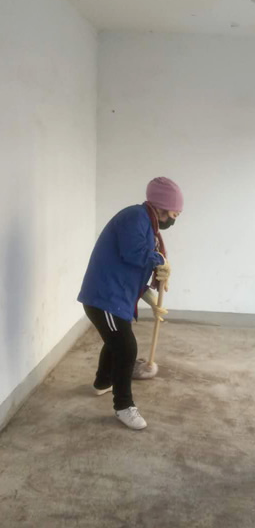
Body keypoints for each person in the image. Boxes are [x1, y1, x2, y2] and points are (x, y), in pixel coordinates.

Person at [78, 177, 184, 430]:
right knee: (126, 348)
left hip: (115, 295)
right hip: (105, 297)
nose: (175, 218)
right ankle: (124, 406)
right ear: (163, 207)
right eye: (175, 213)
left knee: (115, 341)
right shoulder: (135, 218)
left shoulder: (147, 224)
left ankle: (103, 382)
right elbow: (134, 255)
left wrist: (151, 299)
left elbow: (131, 269)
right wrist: (160, 261)